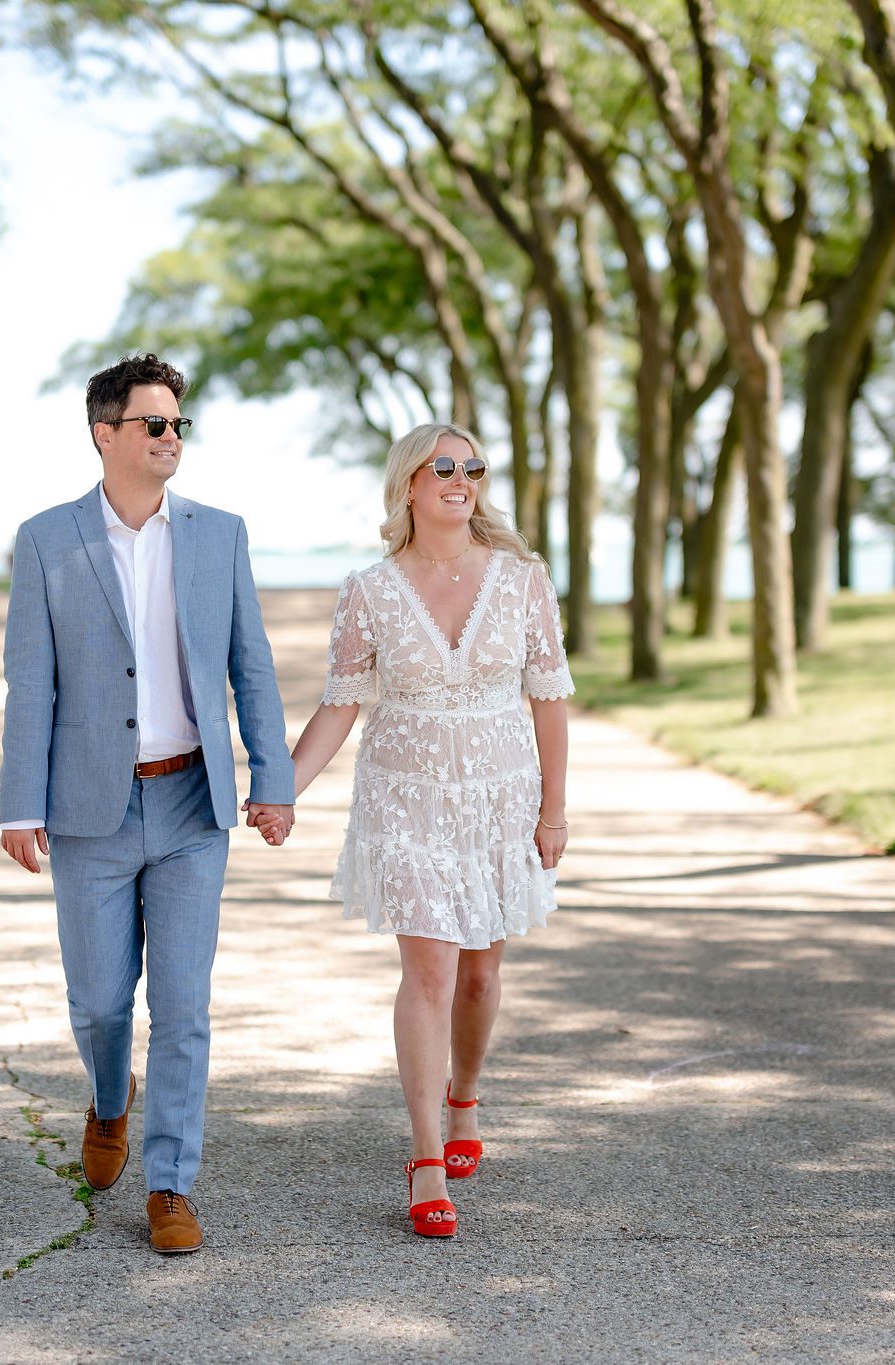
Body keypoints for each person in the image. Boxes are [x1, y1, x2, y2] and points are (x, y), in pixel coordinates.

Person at [0, 352, 295, 1256]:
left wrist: (272, 778)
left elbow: (251, 665)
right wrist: (19, 802)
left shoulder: (220, 534)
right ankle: (106, 1094)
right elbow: (30, 682)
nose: (171, 439)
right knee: (97, 1000)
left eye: (179, 425)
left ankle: (171, 1182)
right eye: (154, 424)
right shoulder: (48, 540)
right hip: (89, 806)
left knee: (184, 1004)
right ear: (106, 434)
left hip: (190, 804)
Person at [272, 421, 572, 1240]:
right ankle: (427, 1156)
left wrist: (554, 809)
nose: (461, 479)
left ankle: (464, 1092)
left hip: (497, 804)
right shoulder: (367, 589)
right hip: (404, 802)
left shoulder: (522, 579)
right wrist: (281, 789)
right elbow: (341, 705)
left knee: (479, 977)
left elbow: (549, 695)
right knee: (430, 971)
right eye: (444, 466)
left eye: (472, 467)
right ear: (409, 482)